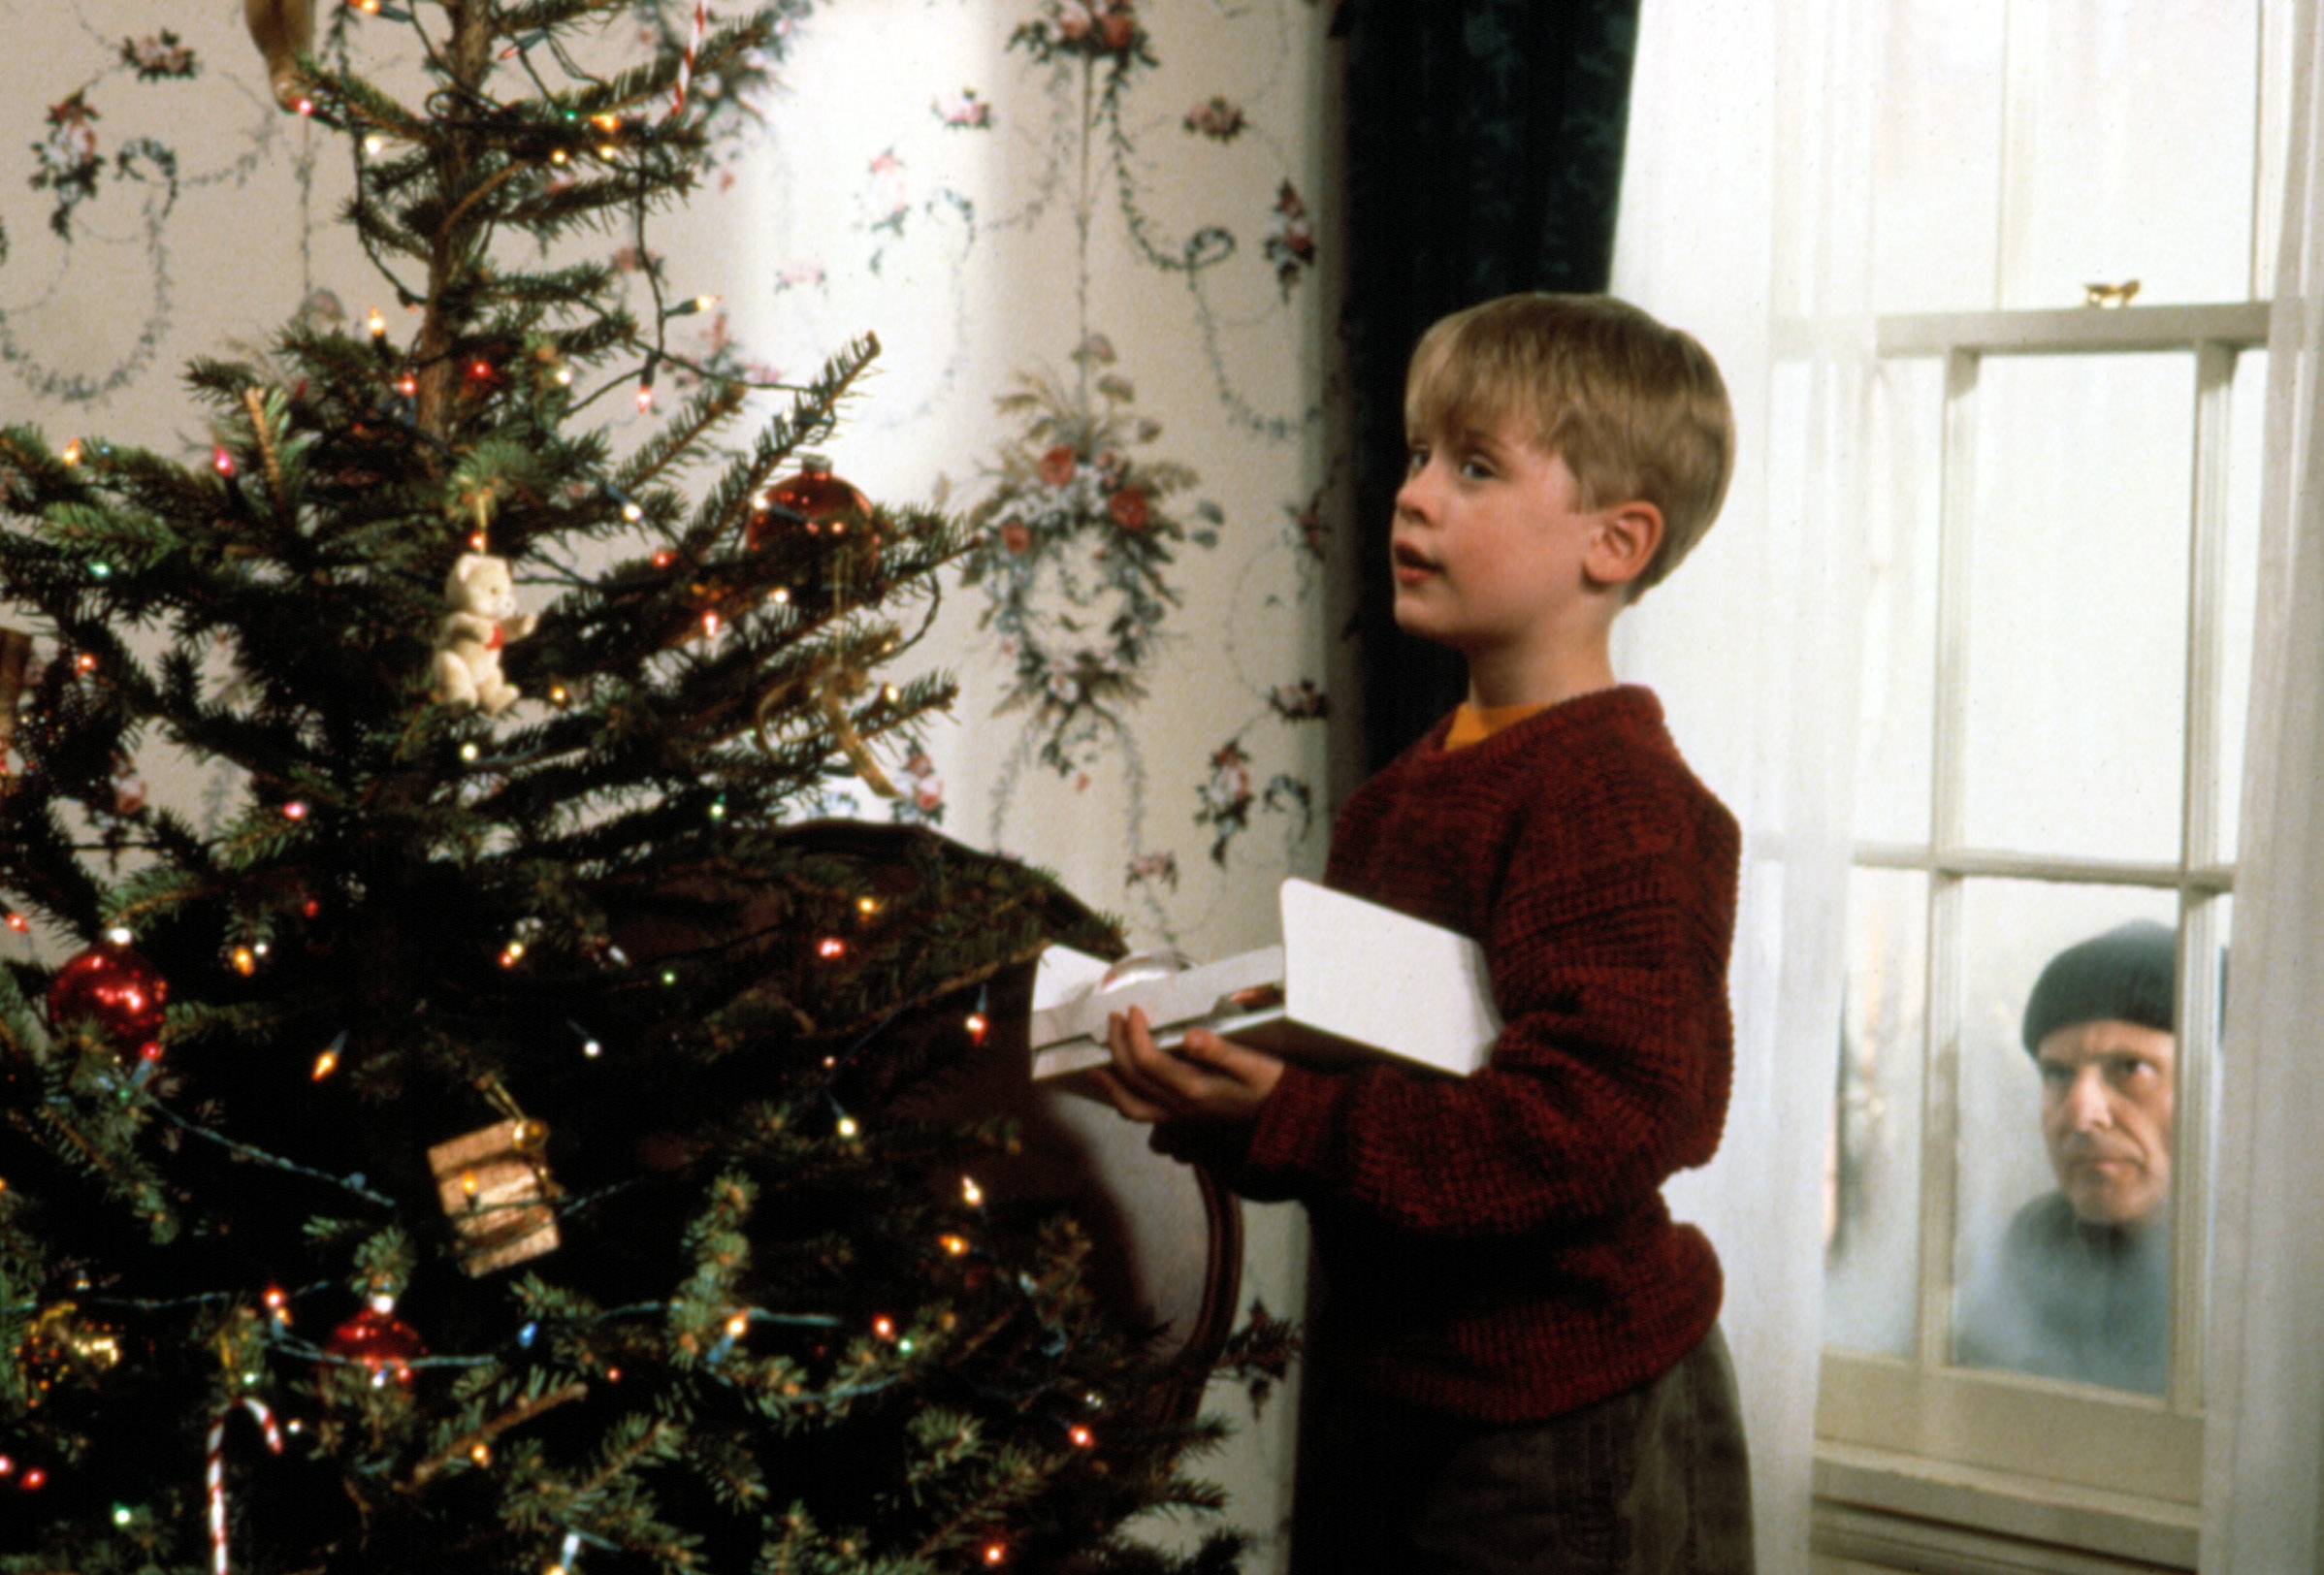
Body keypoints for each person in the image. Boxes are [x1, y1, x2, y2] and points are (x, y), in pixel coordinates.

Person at [1094, 294, 1751, 1574]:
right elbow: (1375, 1112)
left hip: (1557, 1417)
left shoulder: (1617, 800)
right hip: (1391, 1396)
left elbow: (1604, 1122)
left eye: (1476, 467)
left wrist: (1288, 1113)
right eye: (1415, 455)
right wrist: (1217, 1093)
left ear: (1616, 543)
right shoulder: (1406, 792)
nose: (1414, 496)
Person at [1955, 920, 2178, 1394]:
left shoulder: (2268, 1265)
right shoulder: (2038, 1237)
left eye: (2131, 1069)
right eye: (2057, 1073)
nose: (2081, 1116)